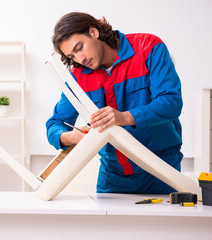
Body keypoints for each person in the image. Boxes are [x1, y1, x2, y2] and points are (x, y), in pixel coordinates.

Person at [46, 12, 183, 194]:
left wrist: (125, 117)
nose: (80, 59)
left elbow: (171, 102)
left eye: (79, 48)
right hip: (113, 177)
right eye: (72, 56)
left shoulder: (148, 47)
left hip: (163, 172)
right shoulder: (77, 78)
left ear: (93, 32)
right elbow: (54, 125)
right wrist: (70, 137)